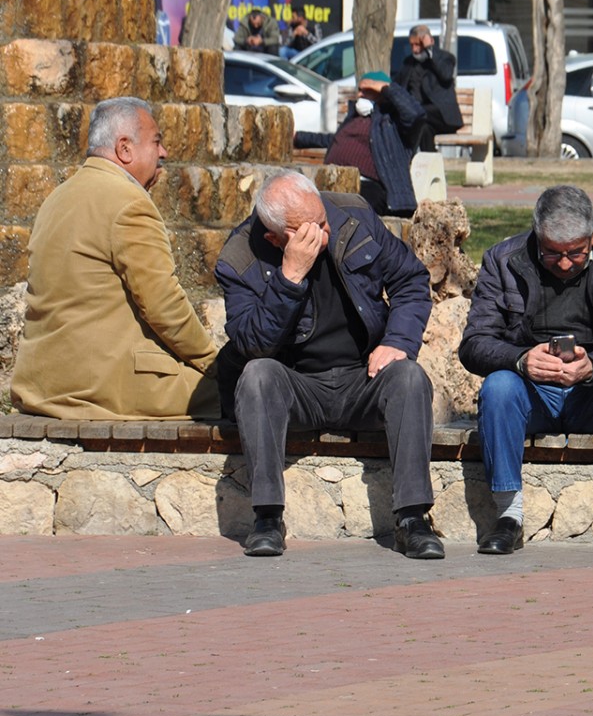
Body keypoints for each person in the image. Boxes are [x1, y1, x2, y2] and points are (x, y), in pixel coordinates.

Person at [215, 172, 438, 559]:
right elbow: (253, 344)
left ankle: (412, 519)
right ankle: (267, 518)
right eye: (311, 230)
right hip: (298, 385)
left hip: (363, 377)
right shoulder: (239, 258)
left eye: (322, 219)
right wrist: (289, 277)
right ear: (276, 238)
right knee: (257, 376)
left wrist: (396, 342)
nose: (325, 230)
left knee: (410, 377)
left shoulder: (352, 216)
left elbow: (411, 281)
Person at [458, 185, 593, 558]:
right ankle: (509, 515)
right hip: (531, 393)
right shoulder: (502, 259)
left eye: (575, 251)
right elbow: (474, 343)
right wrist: (522, 360)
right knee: (499, 387)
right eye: (552, 252)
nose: (566, 262)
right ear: (536, 234)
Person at [11, 97, 220, 420]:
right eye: (157, 141)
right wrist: (214, 364)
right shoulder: (129, 202)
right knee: (245, 393)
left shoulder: (57, 197)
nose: (163, 153)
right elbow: (164, 307)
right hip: (101, 386)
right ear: (124, 149)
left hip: (41, 383)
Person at [294, 72, 424, 217]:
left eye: (367, 90)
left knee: (350, 209)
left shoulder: (391, 122)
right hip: (334, 179)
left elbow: (416, 114)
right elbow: (334, 140)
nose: (360, 95)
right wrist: (298, 137)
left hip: (369, 185)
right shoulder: (354, 118)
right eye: (359, 90)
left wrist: (386, 88)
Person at [394, 24, 463, 152]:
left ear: (429, 42)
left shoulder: (445, 58)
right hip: (420, 117)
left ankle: (409, 158)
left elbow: (446, 75)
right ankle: (431, 166)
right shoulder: (409, 63)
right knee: (424, 128)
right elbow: (396, 85)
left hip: (442, 116)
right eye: (412, 45)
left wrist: (430, 50)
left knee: (417, 112)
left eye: (418, 45)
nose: (414, 50)